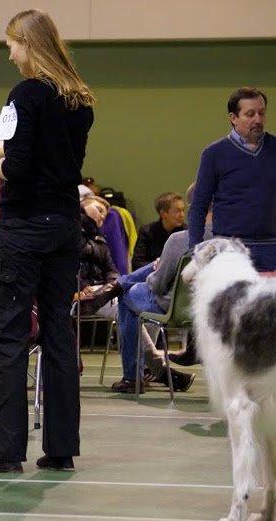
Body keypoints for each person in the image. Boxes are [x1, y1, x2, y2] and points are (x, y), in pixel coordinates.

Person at [0, 9, 94, 474]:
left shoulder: (24, 95)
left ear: (27, 43)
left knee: (11, 335)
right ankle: (60, 447)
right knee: (60, 333)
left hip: (23, 229)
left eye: (12, 45)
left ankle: (7, 450)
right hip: (64, 226)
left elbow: (17, 168)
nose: (9, 54)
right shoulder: (80, 100)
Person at [110, 184, 205, 393]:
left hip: (176, 307)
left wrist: (157, 269)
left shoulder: (181, 239)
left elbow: (158, 285)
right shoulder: (234, 240)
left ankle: (133, 377)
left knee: (128, 296)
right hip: (215, 309)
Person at [188, 87, 276, 271]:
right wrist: (194, 252)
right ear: (233, 118)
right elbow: (199, 205)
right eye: (250, 114)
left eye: (261, 113)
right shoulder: (214, 154)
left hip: (271, 246)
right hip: (230, 249)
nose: (258, 120)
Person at [76, 196, 121, 319]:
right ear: (83, 205)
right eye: (99, 210)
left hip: (100, 293)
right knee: (130, 310)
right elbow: (64, 267)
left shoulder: (101, 242)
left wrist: (109, 288)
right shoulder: (67, 232)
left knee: (140, 308)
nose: (102, 217)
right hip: (77, 295)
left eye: (104, 218)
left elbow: (112, 271)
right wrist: (82, 289)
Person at [131, 192, 185, 270]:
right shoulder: (146, 232)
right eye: (177, 211)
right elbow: (137, 263)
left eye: (183, 210)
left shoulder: (185, 232)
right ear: (163, 214)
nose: (182, 215)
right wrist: (157, 265)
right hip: (151, 275)